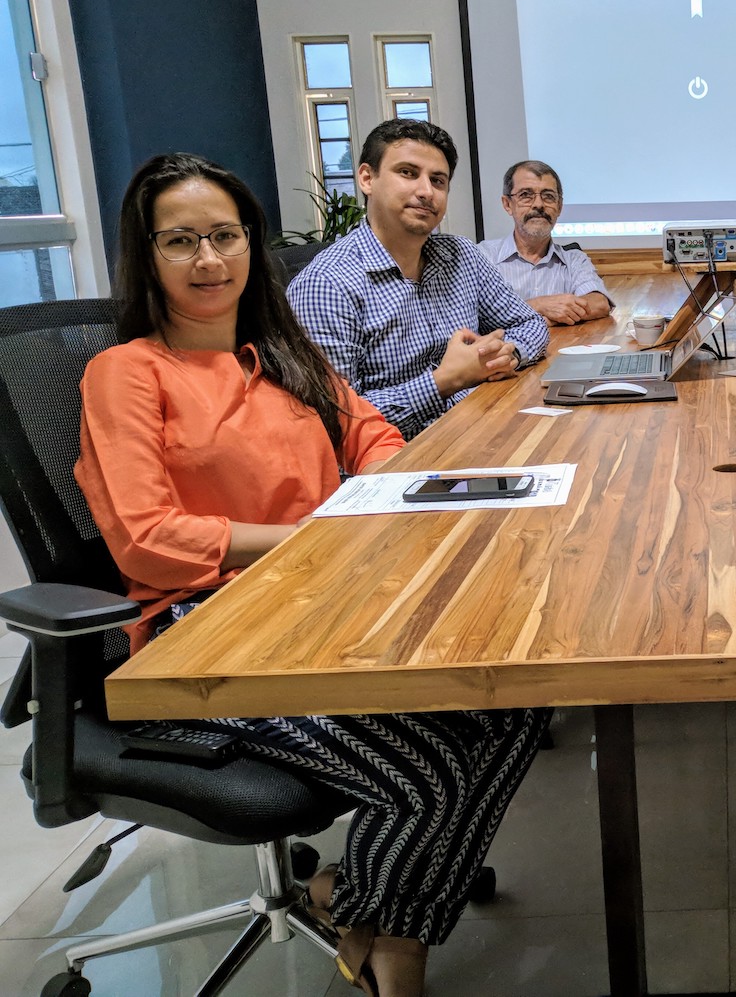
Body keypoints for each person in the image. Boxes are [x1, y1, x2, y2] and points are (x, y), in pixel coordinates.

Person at [76, 153, 550, 997]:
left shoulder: (283, 355)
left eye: (225, 236)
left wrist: (397, 489)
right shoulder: (126, 373)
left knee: (518, 702)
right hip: (207, 633)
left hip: (325, 599)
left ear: (250, 243)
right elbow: (148, 538)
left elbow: (372, 433)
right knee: (435, 773)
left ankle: (358, 903)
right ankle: (393, 945)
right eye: (180, 240)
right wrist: (309, 537)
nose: (209, 259)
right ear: (145, 254)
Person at [289, 119, 550, 439]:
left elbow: (530, 324)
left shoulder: (462, 255)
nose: (426, 192)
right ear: (367, 178)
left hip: (479, 430)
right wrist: (443, 382)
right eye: (407, 173)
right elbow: (335, 420)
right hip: (399, 459)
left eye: (438, 181)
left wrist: (506, 355)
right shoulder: (326, 285)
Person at [476, 159, 614, 325]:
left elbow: (600, 303)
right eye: (525, 195)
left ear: (559, 206)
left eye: (548, 196)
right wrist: (538, 305)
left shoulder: (574, 260)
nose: (539, 204)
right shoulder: (482, 257)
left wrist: (553, 316)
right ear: (507, 204)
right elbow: (474, 315)